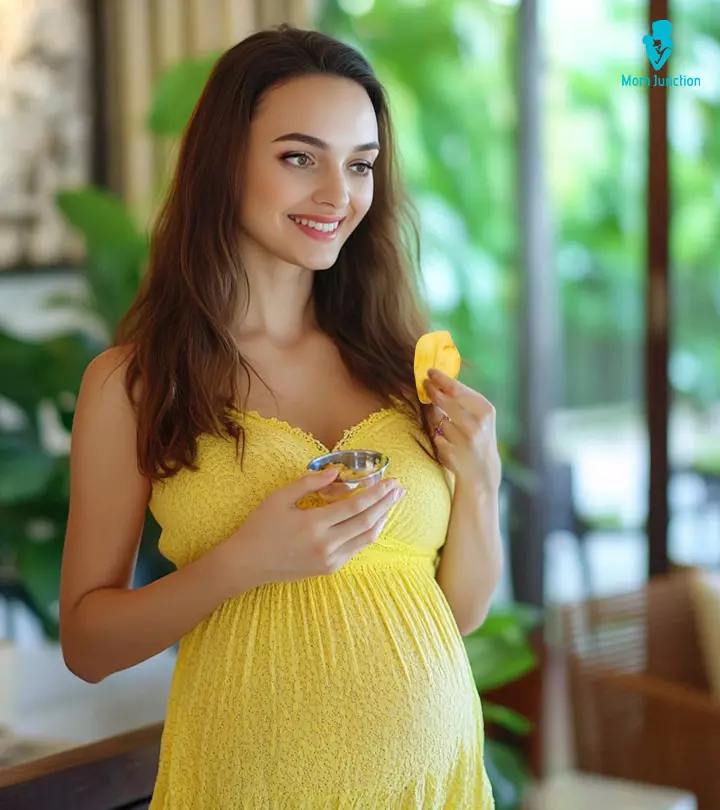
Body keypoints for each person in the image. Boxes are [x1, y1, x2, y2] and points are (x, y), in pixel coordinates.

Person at [59, 24, 503, 809]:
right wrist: (243, 561)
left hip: (435, 787)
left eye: (360, 165)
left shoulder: (403, 366)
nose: (339, 195)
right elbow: (87, 645)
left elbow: (455, 614)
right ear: (223, 162)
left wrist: (482, 478)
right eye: (300, 158)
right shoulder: (134, 383)